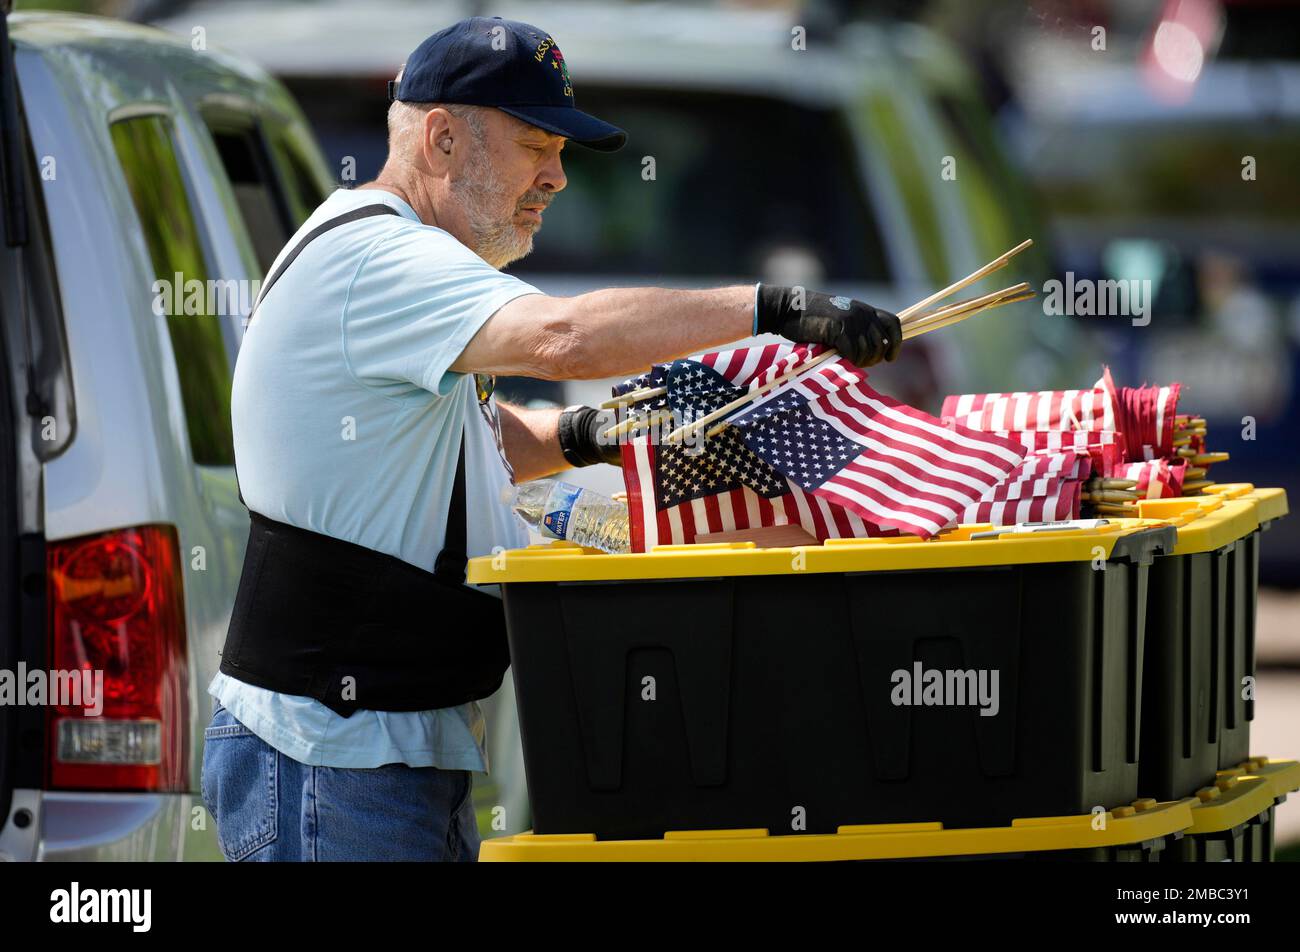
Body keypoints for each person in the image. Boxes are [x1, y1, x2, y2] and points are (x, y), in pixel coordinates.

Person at [200, 15, 901, 861]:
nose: (557, 177)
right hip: (334, 754)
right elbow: (561, 337)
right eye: (537, 144)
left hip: (375, 746)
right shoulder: (380, 258)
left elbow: (456, 443)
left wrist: (590, 433)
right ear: (444, 138)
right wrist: (774, 309)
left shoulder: (395, 255)